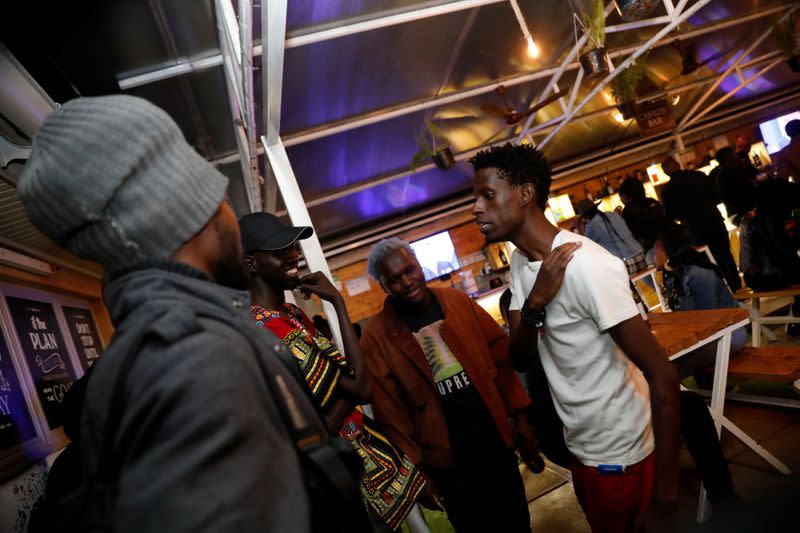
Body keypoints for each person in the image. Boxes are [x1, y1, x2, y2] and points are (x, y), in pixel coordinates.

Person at [16, 95, 361, 532]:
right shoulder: (191, 361)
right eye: (221, 196)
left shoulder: (181, 346)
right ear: (192, 211)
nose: (232, 217)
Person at [470, 143, 680, 533]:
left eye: (487, 195)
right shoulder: (520, 261)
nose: (476, 208)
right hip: (582, 450)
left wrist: (666, 496)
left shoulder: (588, 266)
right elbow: (520, 356)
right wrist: (536, 301)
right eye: (475, 197)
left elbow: (663, 376)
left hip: (623, 454)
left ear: (525, 193)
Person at [239, 212, 426, 530]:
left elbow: (351, 386)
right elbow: (360, 388)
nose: (293, 254)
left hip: (352, 459)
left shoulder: (290, 313)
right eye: (279, 250)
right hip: (336, 472)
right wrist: (338, 304)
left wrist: (344, 395)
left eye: (293, 246)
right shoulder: (268, 327)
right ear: (251, 263)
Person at [361, 238, 542, 533]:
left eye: (410, 270)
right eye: (394, 279)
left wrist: (521, 419)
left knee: (518, 522)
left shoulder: (457, 303)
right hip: (448, 465)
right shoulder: (376, 339)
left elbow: (500, 360)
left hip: (494, 441)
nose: (407, 282)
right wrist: (419, 474)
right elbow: (391, 416)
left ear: (420, 266)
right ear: (383, 286)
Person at [654, 224, 747, 378]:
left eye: (656, 249)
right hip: (708, 337)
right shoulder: (677, 274)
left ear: (668, 251)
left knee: (665, 370)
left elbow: (707, 322)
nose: (652, 255)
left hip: (726, 336)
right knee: (661, 364)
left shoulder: (699, 276)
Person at [660, 156, 742, 290]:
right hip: (714, 220)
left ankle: (722, 291)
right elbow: (716, 197)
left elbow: (671, 215)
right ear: (677, 164)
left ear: (666, 173)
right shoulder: (698, 176)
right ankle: (737, 287)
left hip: (694, 229)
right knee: (725, 255)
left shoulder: (667, 191)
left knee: (708, 260)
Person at [576, 198, 647, 274]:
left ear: (584, 216)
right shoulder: (613, 214)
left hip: (625, 265)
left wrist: (579, 227)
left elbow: (587, 246)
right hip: (640, 256)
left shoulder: (591, 226)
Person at [618, 176, 669, 261]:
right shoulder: (653, 202)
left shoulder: (627, 212)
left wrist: (618, 217)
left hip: (651, 251)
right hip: (669, 242)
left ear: (626, 195)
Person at [710, 147, 757, 223]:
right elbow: (745, 192)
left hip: (736, 213)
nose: (737, 158)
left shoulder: (725, 172)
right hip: (739, 213)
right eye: (734, 156)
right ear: (728, 159)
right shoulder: (728, 174)